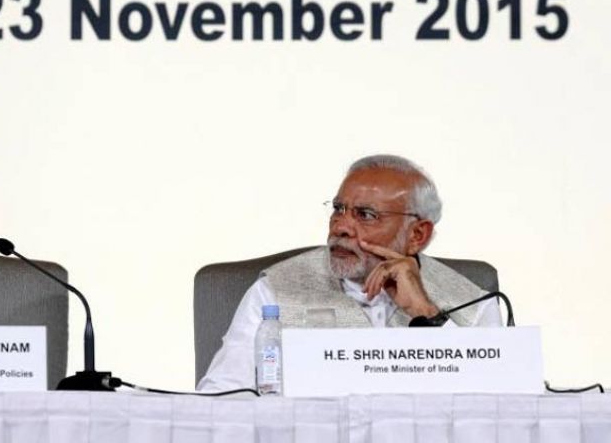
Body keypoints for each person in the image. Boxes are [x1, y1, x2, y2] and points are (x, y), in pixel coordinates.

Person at [197, 154, 501, 391]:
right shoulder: (275, 292)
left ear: (417, 235)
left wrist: (425, 311)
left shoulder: (474, 303)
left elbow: (499, 407)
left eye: (366, 215)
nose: (340, 227)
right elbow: (221, 399)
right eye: (338, 209)